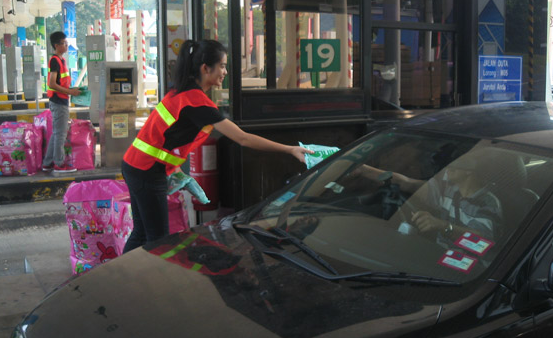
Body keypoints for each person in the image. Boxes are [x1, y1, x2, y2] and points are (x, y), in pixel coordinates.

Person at [121, 39, 313, 253]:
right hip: (146, 170)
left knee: (142, 233)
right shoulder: (197, 102)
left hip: (138, 165)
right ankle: (141, 282)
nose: (225, 72)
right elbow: (243, 139)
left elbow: (165, 137)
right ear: (205, 68)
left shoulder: (182, 92)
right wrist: (290, 149)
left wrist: (173, 170)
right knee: (158, 241)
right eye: (222, 66)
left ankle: (120, 278)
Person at [358, 152, 502, 243]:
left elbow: (482, 241)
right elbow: (405, 183)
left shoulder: (488, 202)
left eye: (456, 163)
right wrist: (362, 170)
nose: (448, 168)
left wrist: (442, 225)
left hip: (470, 269)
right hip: (438, 258)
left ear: (471, 171)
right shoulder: (448, 191)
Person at [42, 31, 81, 174]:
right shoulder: (55, 60)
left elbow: (60, 82)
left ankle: (47, 163)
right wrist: (70, 92)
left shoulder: (61, 60)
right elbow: (52, 83)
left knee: (56, 133)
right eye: (64, 43)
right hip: (59, 101)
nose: (66, 46)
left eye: (67, 43)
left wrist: (71, 90)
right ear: (56, 45)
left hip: (61, 99)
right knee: (60, 134)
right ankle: (59, 164)